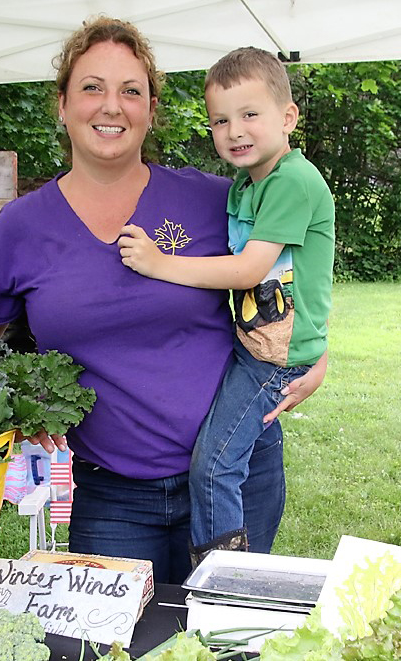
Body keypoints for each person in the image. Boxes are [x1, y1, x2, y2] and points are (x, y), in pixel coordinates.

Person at [0, 17, 325, 583]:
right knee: (112, 645)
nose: (111, 106)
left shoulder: (213, 199)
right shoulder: (16, 231)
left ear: (151, 109)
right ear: (62, 104)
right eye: (92, 87)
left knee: (227, 638)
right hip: (113, 499)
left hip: (239, 475)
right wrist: (16, 409)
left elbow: (300, 259)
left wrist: (316, 353)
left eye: (131, 91)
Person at [117, 46, 334, 563]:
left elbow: (248, 270)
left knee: (216, 466)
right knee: (225, 453)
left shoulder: (291, 181)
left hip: (272, 359)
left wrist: (157, 262)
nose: (234, 131)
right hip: (256, 344)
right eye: (220, 120)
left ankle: (221, 575)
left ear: (288, 117)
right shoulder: (248, 184)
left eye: (249, 115)